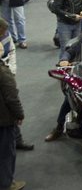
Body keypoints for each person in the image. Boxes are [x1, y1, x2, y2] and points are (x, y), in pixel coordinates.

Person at [0, 40, 25, 190]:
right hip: (3, 119)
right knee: (6, 153)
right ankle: (6, 184)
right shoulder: (3, 71)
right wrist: (19, 114)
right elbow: (11, 97)